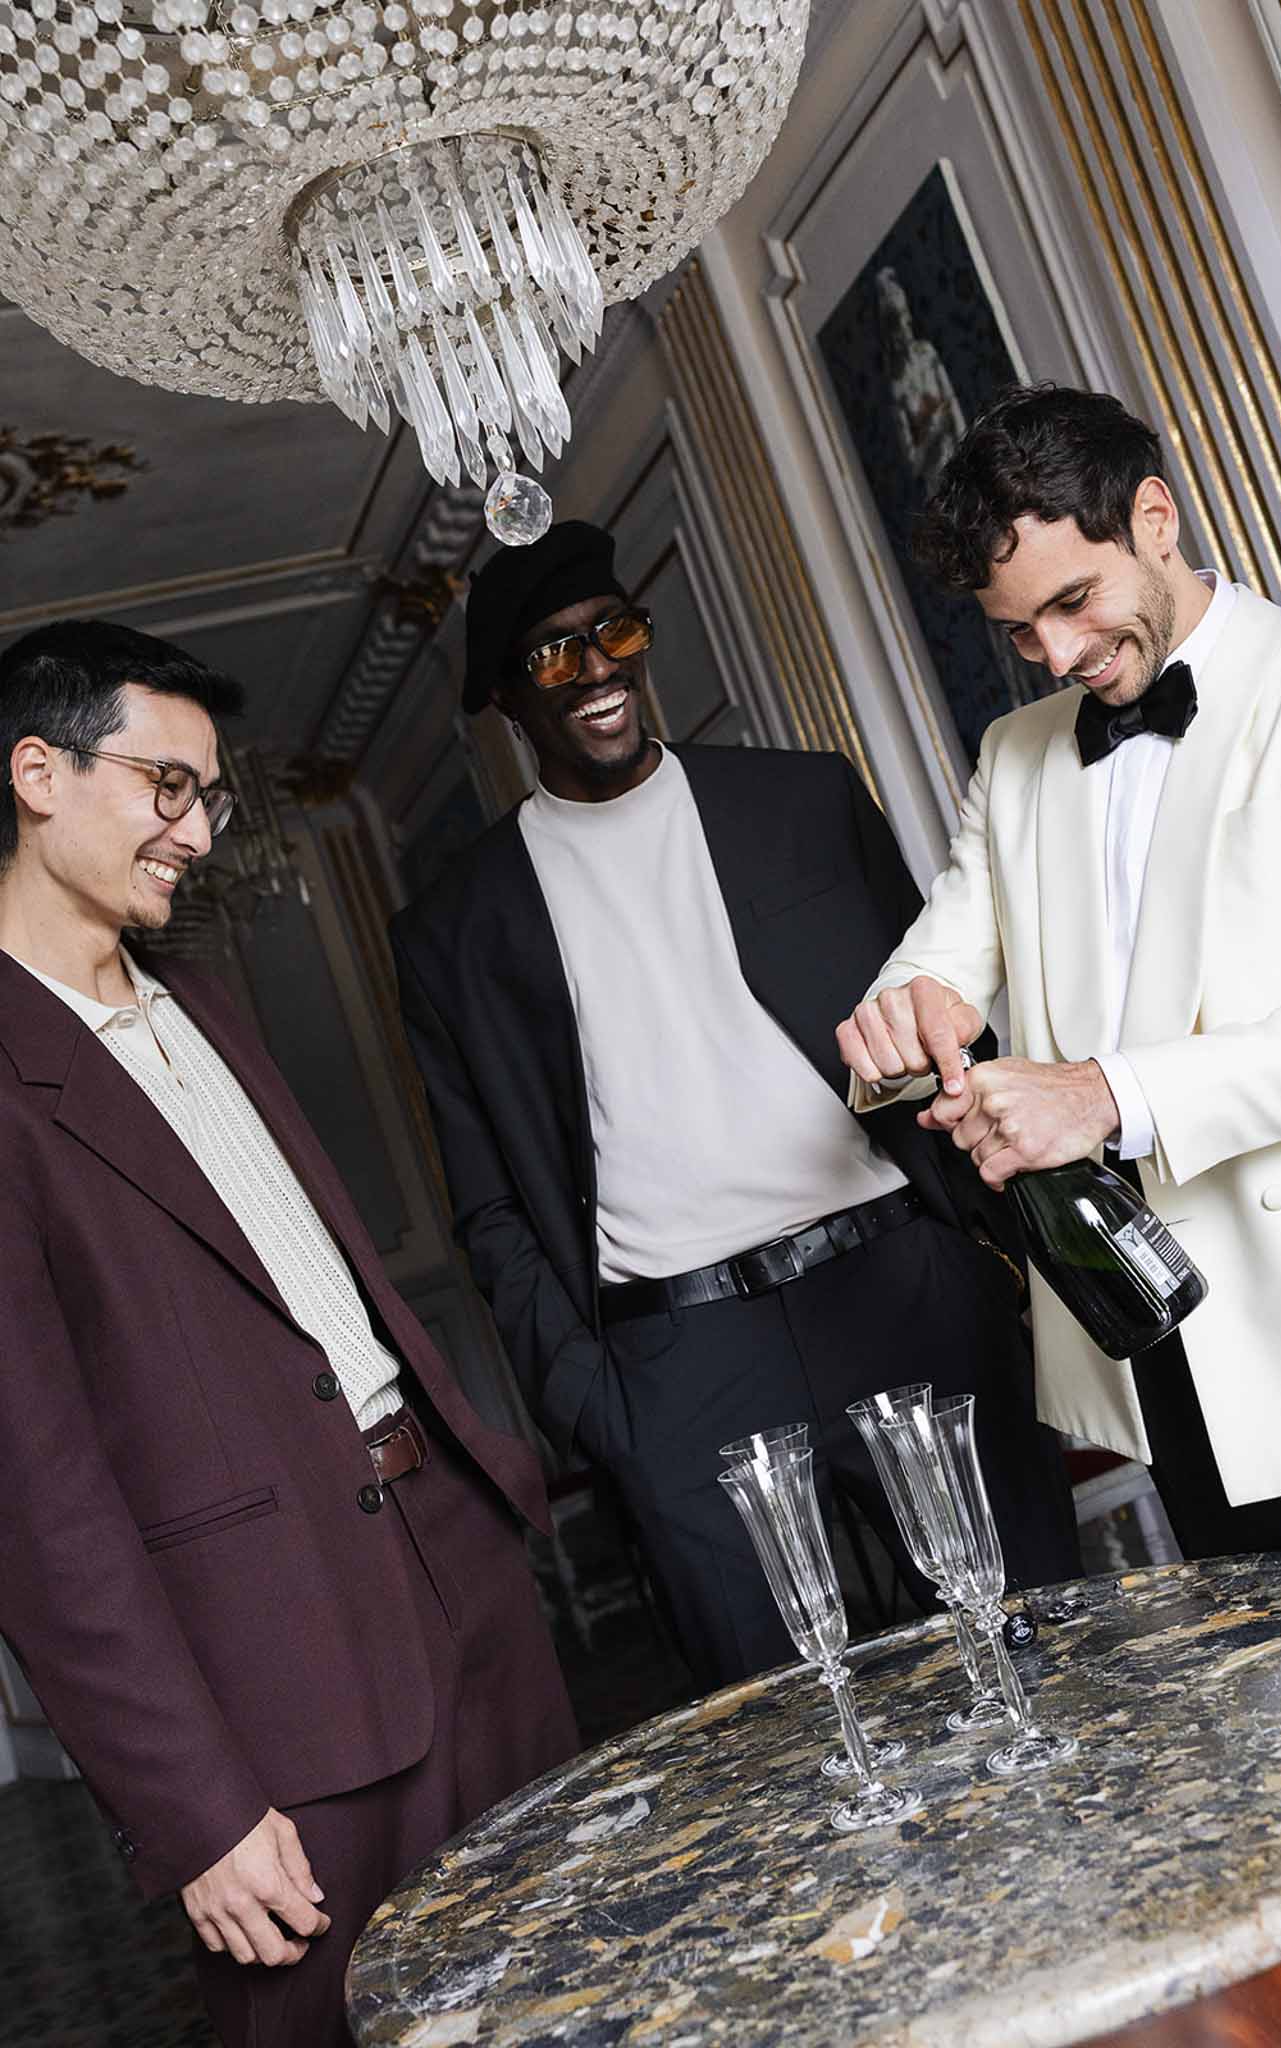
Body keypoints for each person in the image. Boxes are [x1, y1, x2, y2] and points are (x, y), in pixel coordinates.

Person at [0, 620, 576, 2048]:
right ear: (36, 774)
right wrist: (191, 1810)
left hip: (460, 1573)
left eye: (208, 795)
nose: (196, 833)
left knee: (575, 1980)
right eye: (167, 787)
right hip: (277, 1691)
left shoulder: (198, 997)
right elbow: (38, 1506)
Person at [389, 520, 1079, 1693]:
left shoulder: (800, 800)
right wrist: (596, 1402)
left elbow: (943, 1018)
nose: (597, 668)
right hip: (678, 1357)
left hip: (897, 1287)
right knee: (782, 1727)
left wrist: (985, 1256)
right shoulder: (455, 927)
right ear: (507, 697)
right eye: (554, 655)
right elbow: (490, 1201)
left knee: (1027, 1645)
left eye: (615, 631)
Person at [838, 382, 1281, 1561]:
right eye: (1020, 631)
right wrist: (901, 1018)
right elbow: (942, 955)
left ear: (1156, 518)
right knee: (1272, 1729)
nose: (1059, 654)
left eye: (1074, 601)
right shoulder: (1014, 754)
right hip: (1153, 1338)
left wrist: (1101, 1093)